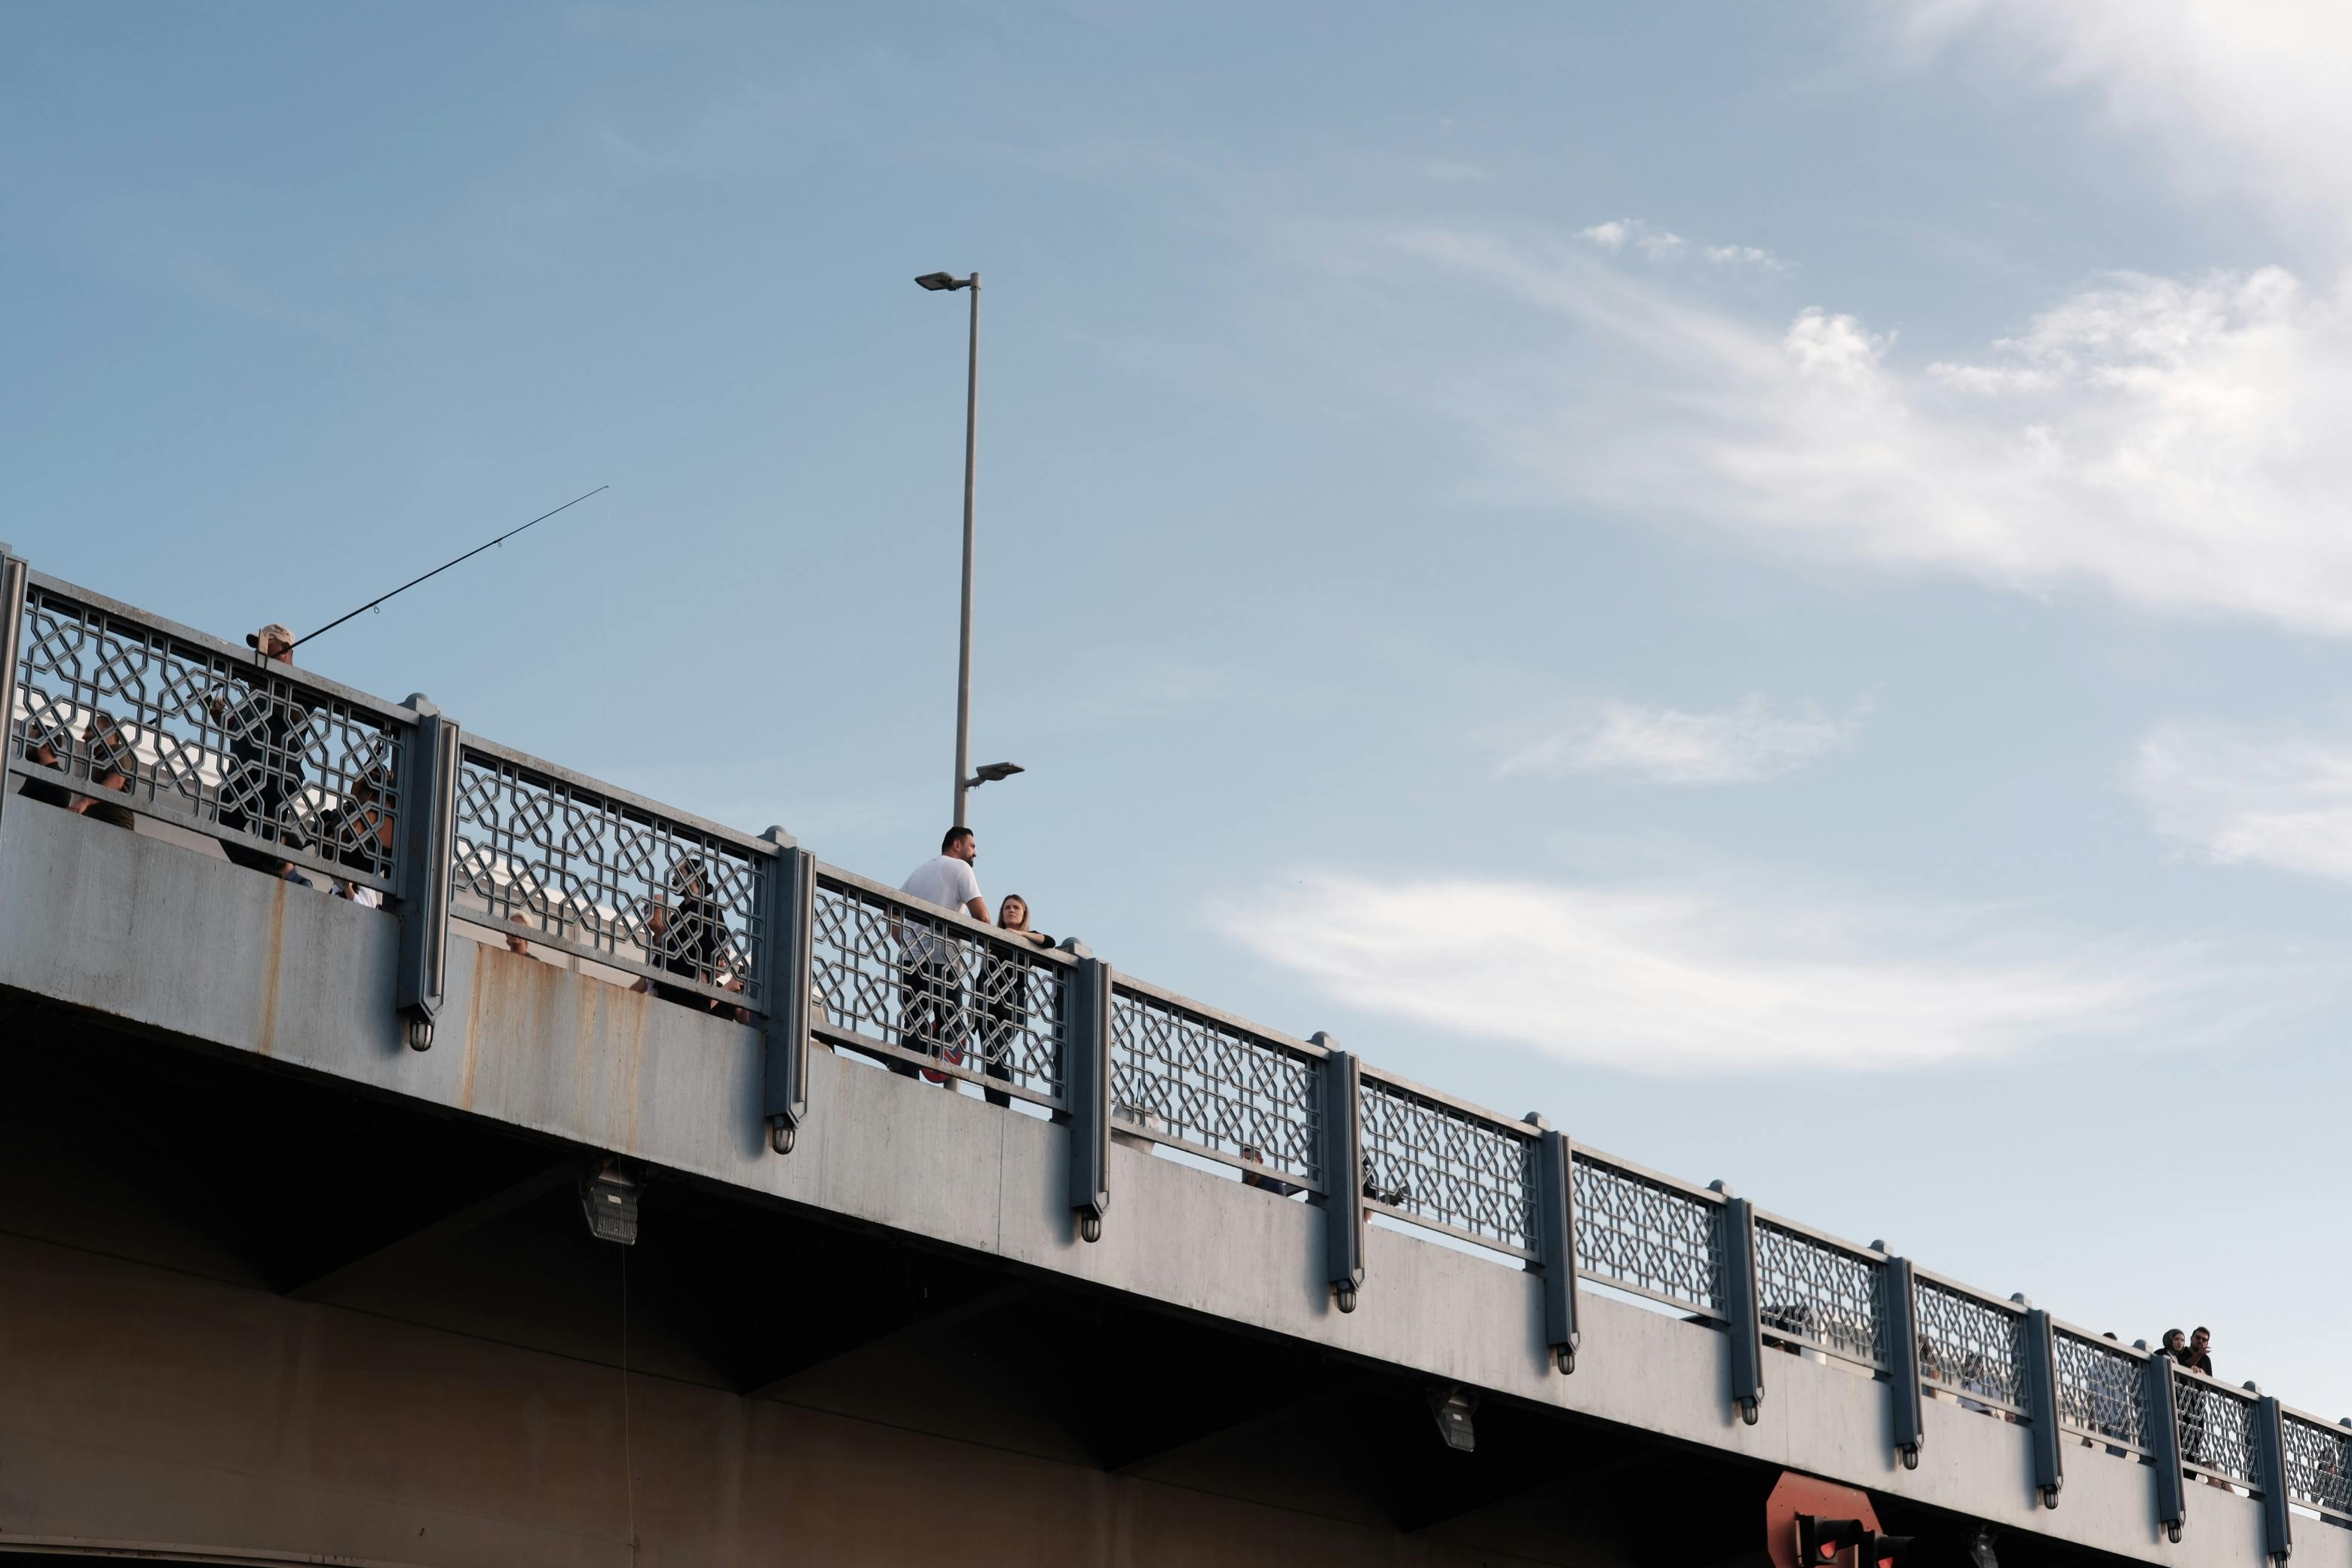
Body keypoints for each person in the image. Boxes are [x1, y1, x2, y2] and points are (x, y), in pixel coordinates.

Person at [210, 622, 313, 882]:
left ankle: (288, 874)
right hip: (247, 772)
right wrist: (221, 718)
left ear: (286, 649)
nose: (261, 651)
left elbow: (297, 717)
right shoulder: (259, 687)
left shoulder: (298, 684)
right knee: (224, 820)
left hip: (275, 775)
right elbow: (246, 729)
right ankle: (272, 873)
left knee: (265, 835)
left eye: (267, 645)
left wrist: (266, 686)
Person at [895, 827, 987, 1085]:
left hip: (910, 961)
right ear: (957, 845)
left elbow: (893, 912)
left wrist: (906, 942)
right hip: (942, 963)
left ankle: (906, 1077)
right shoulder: (961, 869)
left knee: (914, 1023)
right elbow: (983, 916)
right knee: (954, 1025)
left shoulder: (920, 871)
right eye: (972, 846)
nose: (975, 853)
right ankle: (932, 1055)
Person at [974, 893, 1053, 1107]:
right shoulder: (991, 934)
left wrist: (1019, 936)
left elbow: (1049, 942)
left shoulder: (1029, 938)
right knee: (988, 1055)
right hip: (986, 1004)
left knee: (997, 1051)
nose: (1010, 910)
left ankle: (1001, 1105)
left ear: (1024, 914)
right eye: (1007, 907)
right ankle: (993, 1102)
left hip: (1011, 1005)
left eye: (1016, 908)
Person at [315, 768, 394, 908]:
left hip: (367, 856)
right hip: (366, 856)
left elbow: (366, 906)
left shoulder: (362, 877)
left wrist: (347, 889)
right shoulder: (341, 880)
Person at [74, 712, 138, 830]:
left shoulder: (118, 751)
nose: (84, 736)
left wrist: (85, 802)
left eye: (89, 730)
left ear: (107, 732)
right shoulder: (100, 759)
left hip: (116, 828)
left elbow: (116, 781)